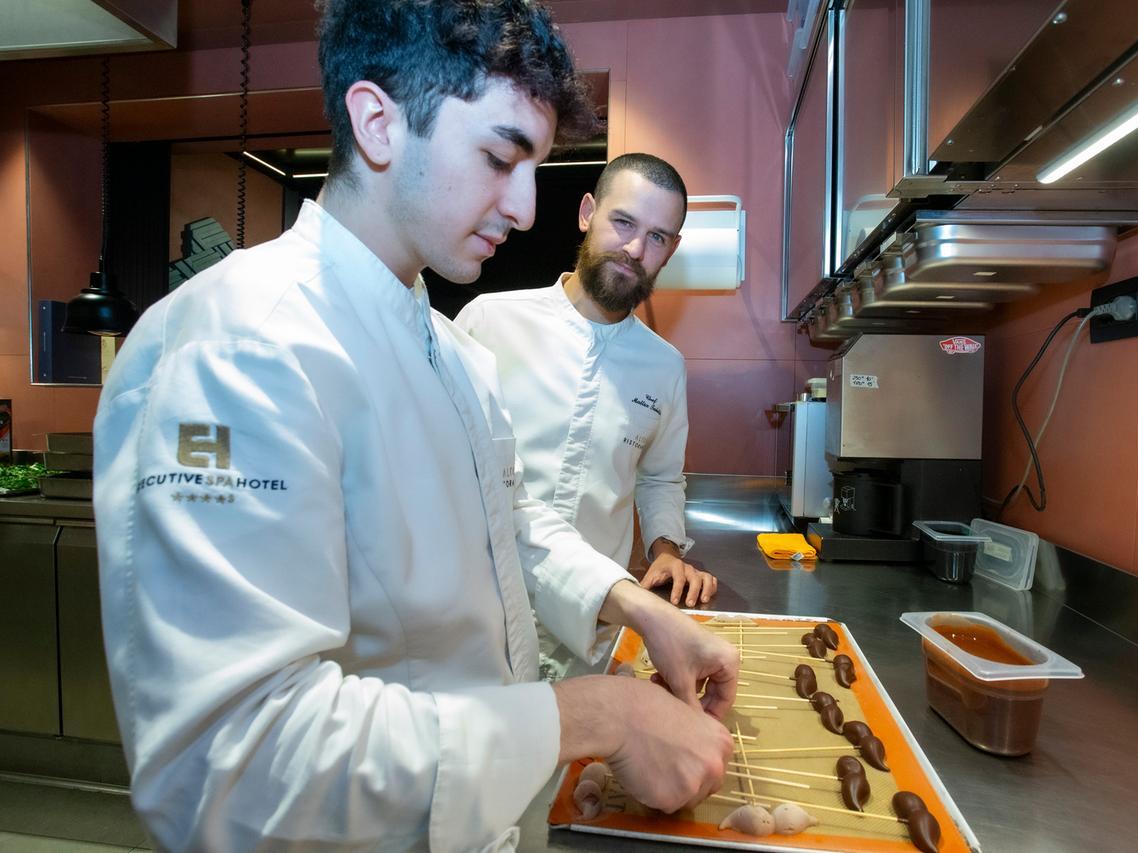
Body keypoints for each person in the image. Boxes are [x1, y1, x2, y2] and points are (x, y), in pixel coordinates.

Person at [91, 2, 737, 851]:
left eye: (534, 166)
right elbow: (231, 763)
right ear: (377, 122)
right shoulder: (242, 347)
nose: (524, 205)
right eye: (500, 157)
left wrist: (637, 609)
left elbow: (509, 527)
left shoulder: (450, 352)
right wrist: (588, 716)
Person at [456, 154, 718, 608]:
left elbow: (660, 478)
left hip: (595, 615)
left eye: (655, 236)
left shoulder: (664, 366)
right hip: (480, 605)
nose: (635, 249)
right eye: (623, 222)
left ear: (671, 250)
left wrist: (667, 551)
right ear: (587, 213)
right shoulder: (489, 322)